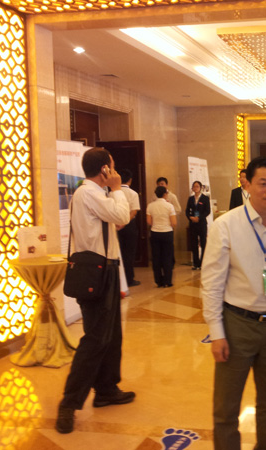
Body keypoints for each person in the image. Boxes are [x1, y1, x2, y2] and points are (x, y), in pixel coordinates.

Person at [202, 156, 266, 450]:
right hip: (237, 325)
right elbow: (212, 282)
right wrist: (217, 333)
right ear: (247, 184)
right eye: (263, 183)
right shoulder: (226, 225)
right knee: (226, 406)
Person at [55, 147, 135, 434]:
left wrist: (113, 193)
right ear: (104, 170)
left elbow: (119, 220)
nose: (115, 172)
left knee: (111, 335)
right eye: (112, 167)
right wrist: (118, 189)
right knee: (95, 339)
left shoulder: (95, 194)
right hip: (96, 272)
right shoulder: (88, 192)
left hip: (106, 269)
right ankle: (68, 403)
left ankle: (106, 389)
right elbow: (122, 213)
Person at [147, 186, 177, 287]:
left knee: (156, 257)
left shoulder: (150, 206)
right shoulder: (169, 206)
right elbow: (174, 222)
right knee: (167, 257)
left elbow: (149, 221)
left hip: (155, 233)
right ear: (165, 194)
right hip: (167, 233)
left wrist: (156, 224)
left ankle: (158, 281)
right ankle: (168, 281)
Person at [117, 169, 141, 287]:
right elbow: (134, 211)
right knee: (129, 253)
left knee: (118, 253)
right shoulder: (133, 193)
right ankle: (129, 279)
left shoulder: (113, 193)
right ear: (130, 180)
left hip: (116, 225)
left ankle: (119, 279)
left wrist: (119, 223)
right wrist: (125, 222)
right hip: (129, 225)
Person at [185, 180, 210, 270]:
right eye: (194, 186)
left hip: (201, 223)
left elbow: (207, 211)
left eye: (197, 186)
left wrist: (199, 218)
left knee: (203, 243)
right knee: (194, 243)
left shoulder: (205, 198)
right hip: (193, 224)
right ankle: (196, 263)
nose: (195, 188)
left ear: (200, 188)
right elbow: (187, 210)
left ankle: (203, 262)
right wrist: (190, 217)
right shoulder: (191, 199)